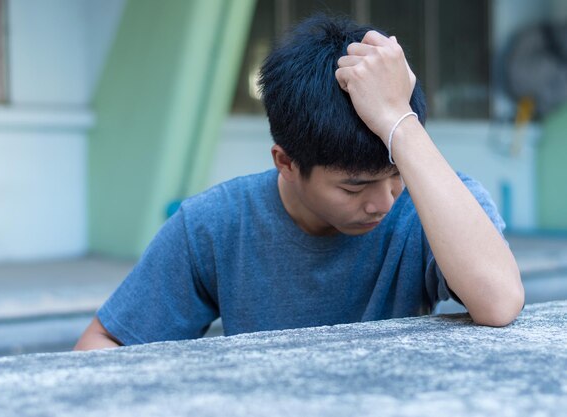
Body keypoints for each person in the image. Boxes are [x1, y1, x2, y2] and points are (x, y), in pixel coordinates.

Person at [75, 15, 524, 351]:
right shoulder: (215, 225)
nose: (382, 203)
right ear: (286, 163)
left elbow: (499, 302)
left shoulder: (436, 204)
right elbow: (106, 341)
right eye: (353, 188)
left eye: (397, 177)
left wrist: (400, 125)